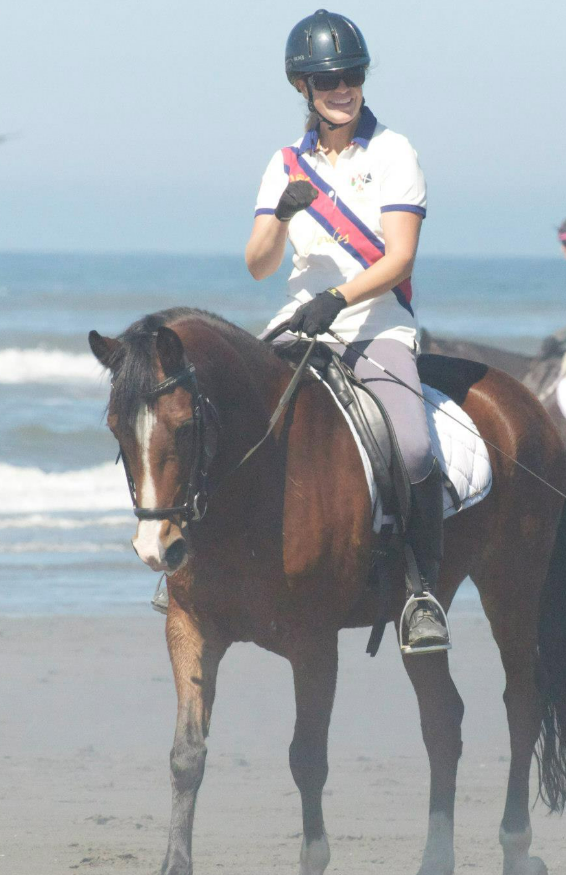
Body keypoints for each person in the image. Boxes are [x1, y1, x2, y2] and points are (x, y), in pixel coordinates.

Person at [245, 8, 449, 652]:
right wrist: (279, 214)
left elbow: (400, 258)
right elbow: (258, 265)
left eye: (352, 75)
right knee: (226, 415)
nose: (343, 87)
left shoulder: (393, 152)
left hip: (374, 326)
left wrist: (337, 297)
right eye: (328, 78)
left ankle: (419, 590)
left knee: (414, 448)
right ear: (301, 87)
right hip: (297, 325)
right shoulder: (283, 164)